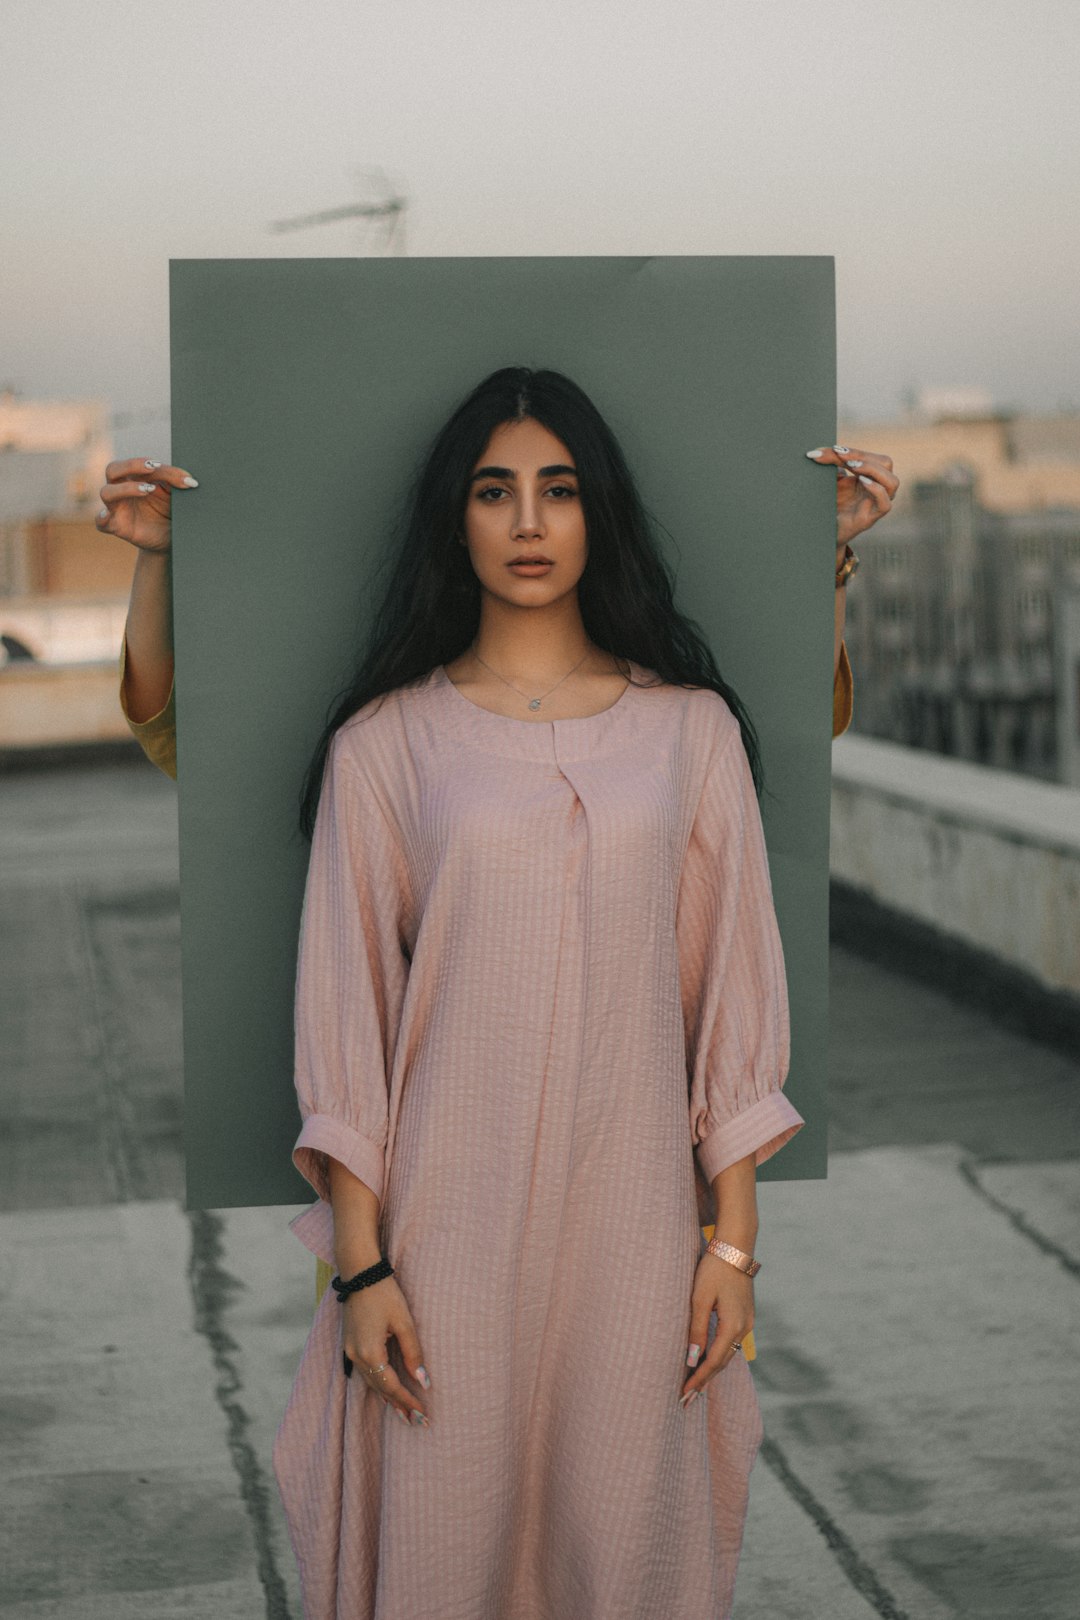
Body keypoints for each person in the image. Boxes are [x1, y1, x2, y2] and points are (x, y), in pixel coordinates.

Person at [99, 369, 898, 1619]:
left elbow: (732, 992)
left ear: (600, 515)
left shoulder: (690, 734)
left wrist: (731, 1244)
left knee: (626, 1546)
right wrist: (364, 1276)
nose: (528, 523)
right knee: (437, 1546)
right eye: (495, 491)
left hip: (637, 1231)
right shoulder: (386, 745)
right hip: (439, 1242)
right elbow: (346, 1027)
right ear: (454, 519)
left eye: (559, 490)